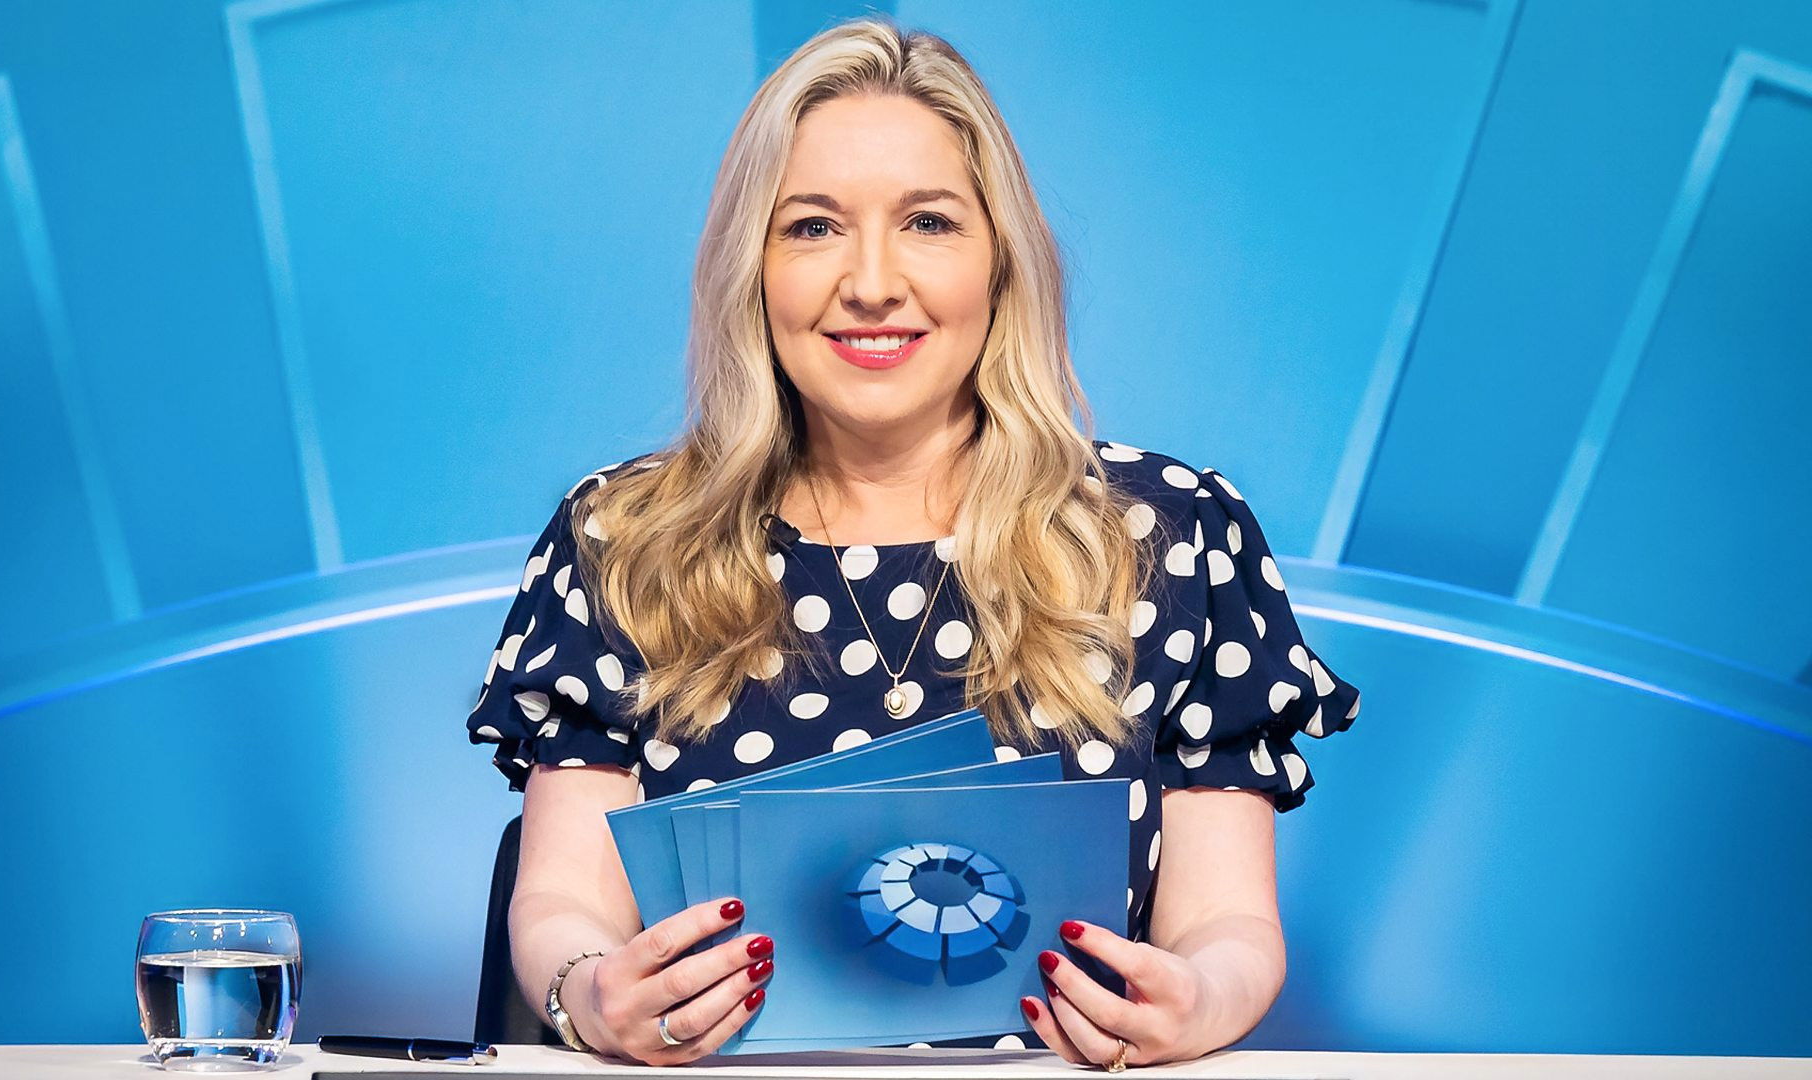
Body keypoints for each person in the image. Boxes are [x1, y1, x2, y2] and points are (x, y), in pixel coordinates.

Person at [464, 14, 1360, 1070]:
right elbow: (562, 903)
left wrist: (1199, 1000)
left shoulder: (1167, 535)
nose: (873, 282)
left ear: (1000, 263)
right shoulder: (625, 540)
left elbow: (1227, 925)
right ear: (751, 267)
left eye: (929, 222)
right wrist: (586, 992)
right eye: (812, 227)